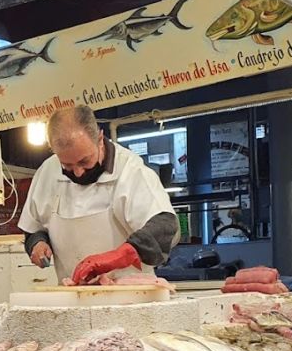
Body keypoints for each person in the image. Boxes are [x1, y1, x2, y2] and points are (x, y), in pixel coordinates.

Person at [19, 105, 179, 284]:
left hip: (129, 293)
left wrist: (115, 257)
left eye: (84, 161)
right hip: (72, 295)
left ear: (100, 139)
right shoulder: (47, 172)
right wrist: (38, 243)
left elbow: (165, 227)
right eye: (67, 165)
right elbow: (33, 228)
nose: (78, 172)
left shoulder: (131, 170)